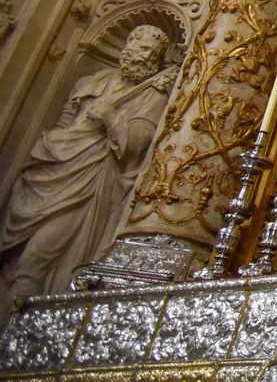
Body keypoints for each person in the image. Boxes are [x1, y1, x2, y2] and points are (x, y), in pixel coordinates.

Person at [0, 24, 176, 301]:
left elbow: (138, 143)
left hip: (90, 178)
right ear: (128, 46)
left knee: (38, 257)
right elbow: (65, 122)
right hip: (53, 165)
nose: (146, 56)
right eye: (143, 48)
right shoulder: (92, 81)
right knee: (15, 261)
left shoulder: (151, 94)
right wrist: (53, 144)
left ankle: (30, 317)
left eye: (154, 54)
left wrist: (110, 118)